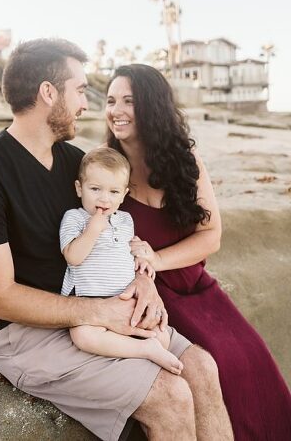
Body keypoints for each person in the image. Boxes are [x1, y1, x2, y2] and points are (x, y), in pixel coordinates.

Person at [0, 38, 232, 441]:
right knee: (171, 393)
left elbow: (116, 237)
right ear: (49, 93)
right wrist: (97, 313)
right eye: (80, 90)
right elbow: (0, 298)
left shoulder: (75, 165)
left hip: (90, 306)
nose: (86, 104)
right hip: (20, 331)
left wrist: (144, 281)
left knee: (201, 368)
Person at [106, 63, 291, 441]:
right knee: (215, 364)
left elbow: (211, 236)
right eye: (110, 101)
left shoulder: (184, 160)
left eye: (128, 100)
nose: (116, 111)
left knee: (252, 357)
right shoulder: (107, 168)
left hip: (197, 285)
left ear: (152, 107)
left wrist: (158, 258)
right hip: (152, 294)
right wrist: (145, 272)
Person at [60, 147, 182, 374]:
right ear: (79, 188)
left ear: (124, 194)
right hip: (90, 303)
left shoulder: (125, 220)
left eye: (114, 192)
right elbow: (73, 257)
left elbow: (127, 250)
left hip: (126, 298)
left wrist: (141, 259)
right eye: (95, 189)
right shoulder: (75, 217)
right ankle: (144, 350)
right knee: (82, 336)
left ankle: (142, 348)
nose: (104, 198)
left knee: (162, 335)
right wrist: (92, 231)